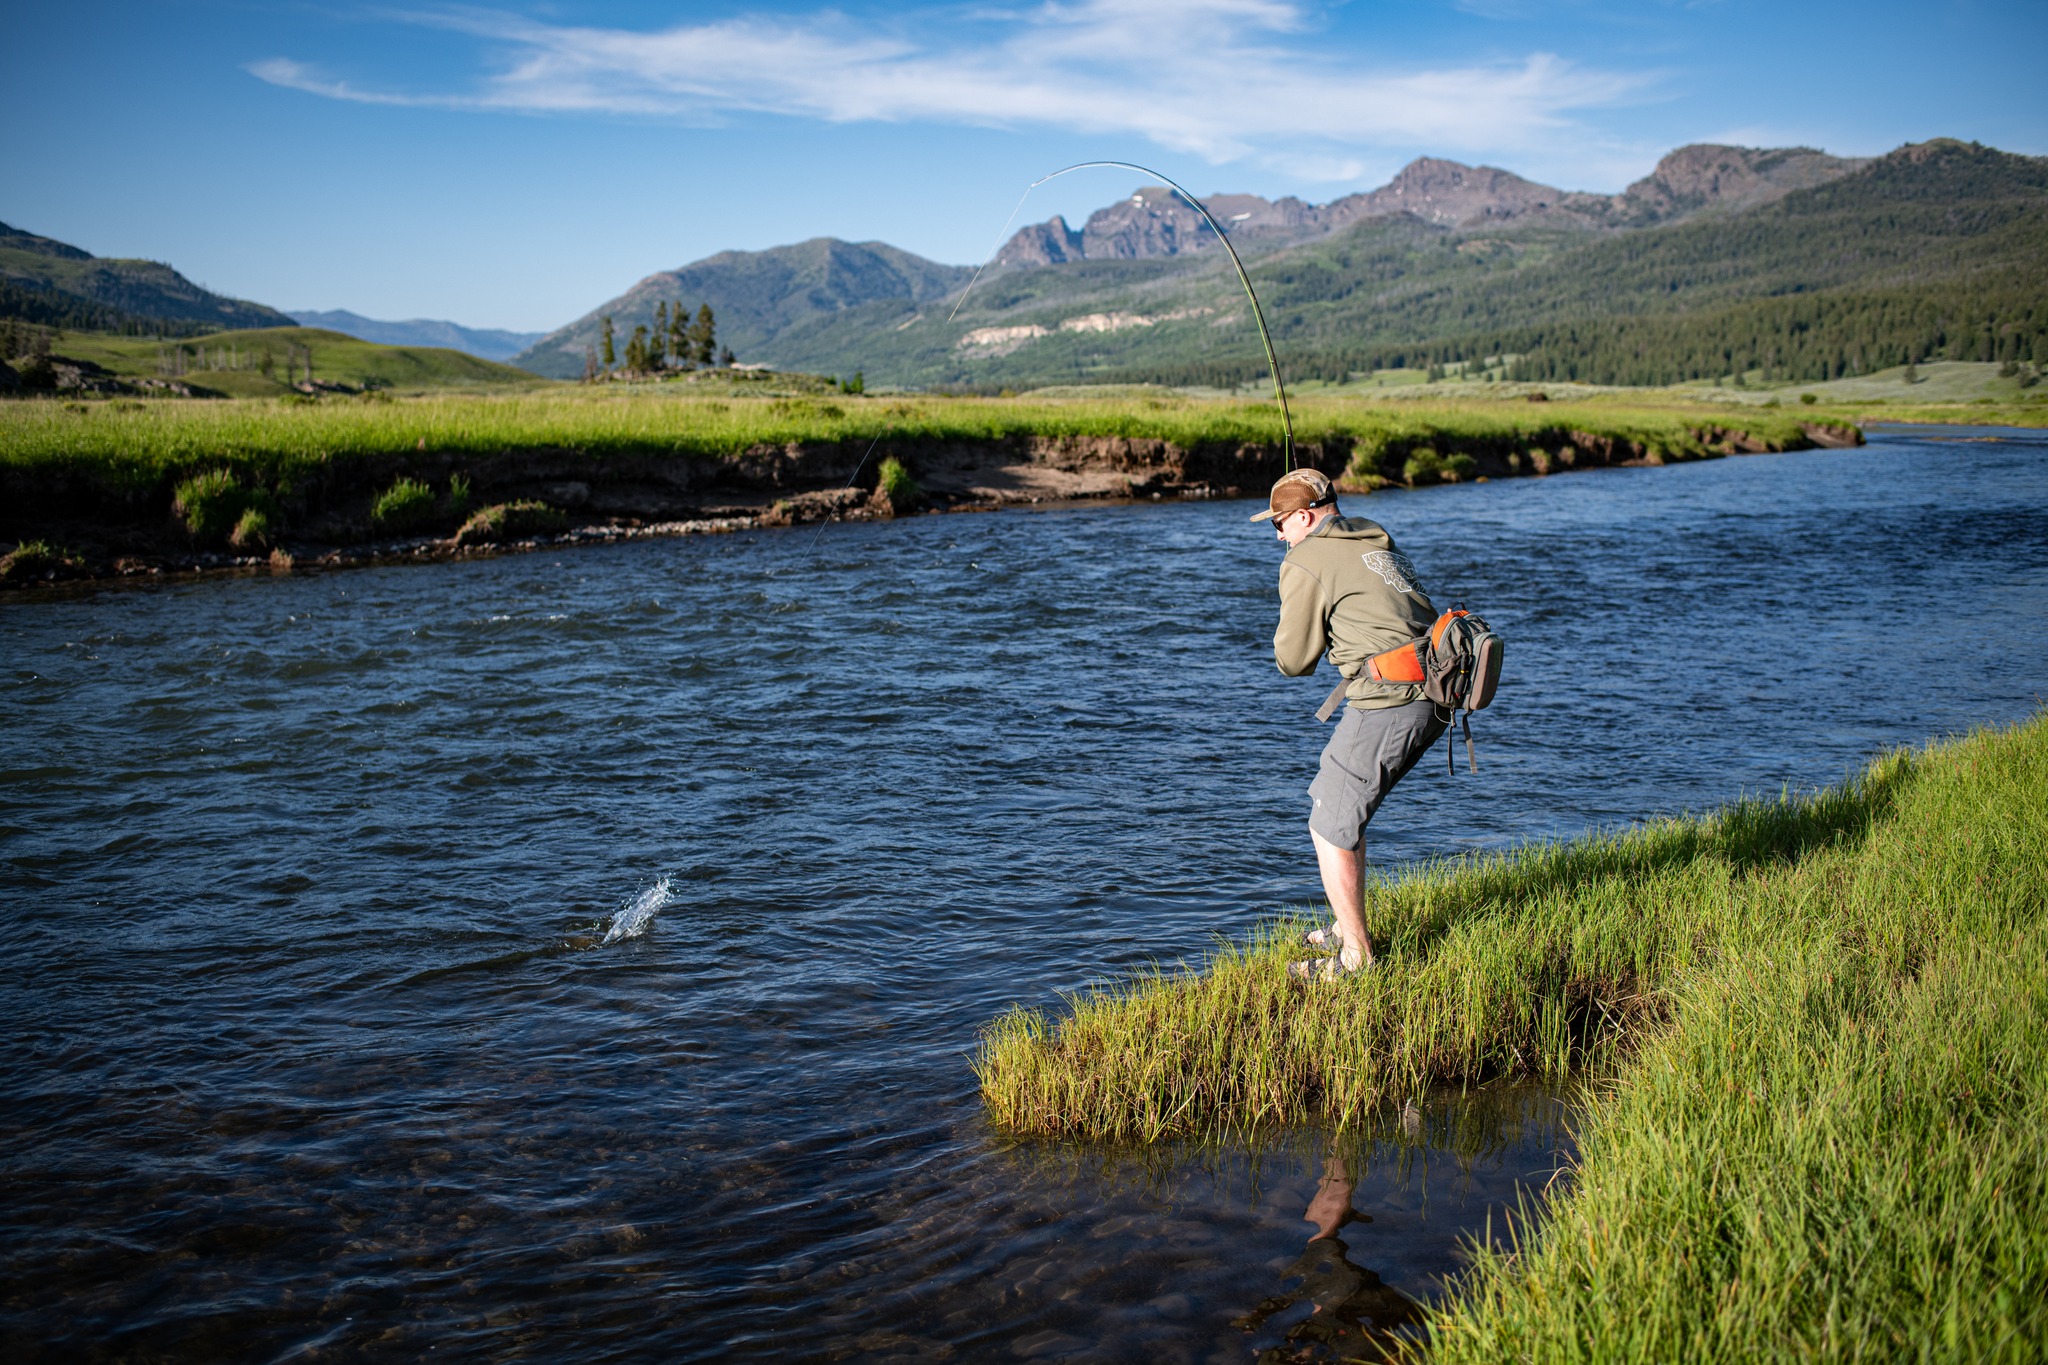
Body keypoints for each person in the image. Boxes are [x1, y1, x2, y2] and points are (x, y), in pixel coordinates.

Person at [1255, 468, 1445, 980]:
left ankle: (1356, 960)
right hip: (1433, 692)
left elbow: (1293, 661)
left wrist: (1296, 577)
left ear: (1304, 515)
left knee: (1329, 821)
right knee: (1338, 804)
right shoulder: (1371, 532)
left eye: (1279, 523)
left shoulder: (1305, 558)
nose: (1277, 535)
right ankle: (1346, 925)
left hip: (1391, 699)